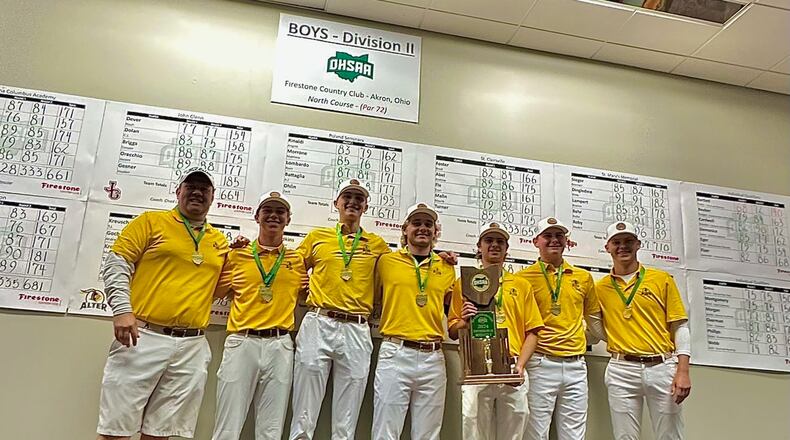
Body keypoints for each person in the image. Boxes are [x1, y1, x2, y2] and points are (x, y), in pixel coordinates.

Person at [96, 167, 229, 440]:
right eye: (190, 186)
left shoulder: (219, 240)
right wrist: (122, 310)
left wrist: (239, 252)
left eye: (204, 189)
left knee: (161, 434)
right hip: (142, 337)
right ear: (178, 191)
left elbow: (219, 289)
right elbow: (117, 263)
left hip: (192, 346)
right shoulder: (150, 222)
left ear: (212, 197)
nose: (196, 192)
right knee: (115, 431)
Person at [288, 179, 391, 440]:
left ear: (366, 206)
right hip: (318, 322)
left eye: (359, 198)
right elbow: (288, 265)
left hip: (357, 328)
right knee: (304, 412)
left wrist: (442, 258)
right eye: (347, 196)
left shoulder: (377, 244)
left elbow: (403, 268)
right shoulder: (317, 237)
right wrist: (302, 286)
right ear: (336, 203)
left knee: (347, 418)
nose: (353, 202)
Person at [211, 191, 307, 440]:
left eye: (280, 212)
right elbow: (215, 291)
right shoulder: (237, 255)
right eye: (268, 211)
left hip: (280, 344)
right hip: (242, 343)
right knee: (228, 426)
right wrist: (225, 253)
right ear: (257, 217)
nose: (274, 216)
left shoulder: (297, 260)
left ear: (288, 219)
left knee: (271, 429)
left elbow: (306, 295)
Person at [448, 222, 544, 440]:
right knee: (473, 431)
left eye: (500, 241)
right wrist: (464, 320)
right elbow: (453, 330)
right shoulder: (462, 283)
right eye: (488, 241)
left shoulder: (521, 285)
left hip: (511, 365)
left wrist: (520, 367)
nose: (494, 245)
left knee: (513, 433)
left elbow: (533, 331)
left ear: (506, 249)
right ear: (479, 247)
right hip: (475, 366)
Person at [596, 221, 691, 440]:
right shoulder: (600, 288)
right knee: (624, 437)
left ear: (638, 244)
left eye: (628, 241)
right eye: (617, 242)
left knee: (670, 435)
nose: (623, 247)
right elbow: (596, 328)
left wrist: (683, 371)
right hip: (621, 369)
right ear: (607, 247)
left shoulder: (661, 279)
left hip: (662, 366)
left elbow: (680, 327)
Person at [371, 203, 456, 440]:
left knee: (428, 435)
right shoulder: (386, 262)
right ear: (405, 229)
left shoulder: (446, 267)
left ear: (435, 231)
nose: (422, 228)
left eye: (428, 224)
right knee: (385, 430)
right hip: (395, 353)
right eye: (416, 223)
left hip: (433, 357)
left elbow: (452, 310)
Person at [516, 217, 605, 440]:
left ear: (566, 241)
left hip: (576, 365)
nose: (554, 240)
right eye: (548, 236)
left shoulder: (583, 278)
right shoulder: (522, 279)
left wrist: (582, 339)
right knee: (535, 434)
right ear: (536, 241)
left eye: (559, 236)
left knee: (574, 436)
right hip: (540, 363)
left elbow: (594, 322)